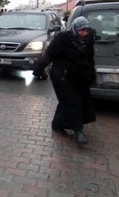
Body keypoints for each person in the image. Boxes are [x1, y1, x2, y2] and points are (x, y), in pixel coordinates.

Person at [32, 16, 96, 146]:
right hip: (61, 76)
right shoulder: (63, 38)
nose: (84, 33)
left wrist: (91, 74)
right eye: (81, 30)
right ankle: (78, 130)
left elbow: (90, 58)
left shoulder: (88, 40)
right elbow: (49, 55)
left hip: (80, 76)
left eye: (86, 30)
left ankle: (57, 124)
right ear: (75, 29)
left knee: (73, 100)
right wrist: (38, 71)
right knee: (72, 102)